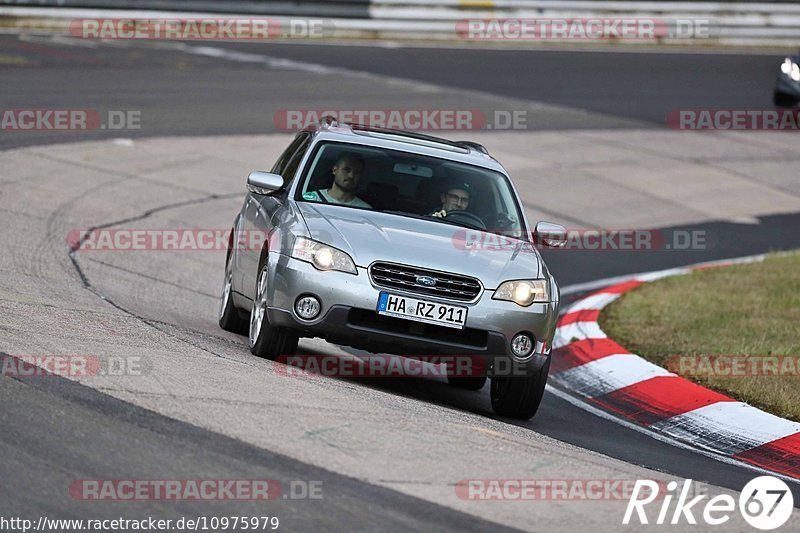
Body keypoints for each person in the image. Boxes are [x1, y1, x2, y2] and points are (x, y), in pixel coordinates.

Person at [306, 153, 372, 208]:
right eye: (346, 170)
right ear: (335, 170)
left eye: (357, 173)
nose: (351, 176)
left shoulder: (365, 209)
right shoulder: (312, 199)